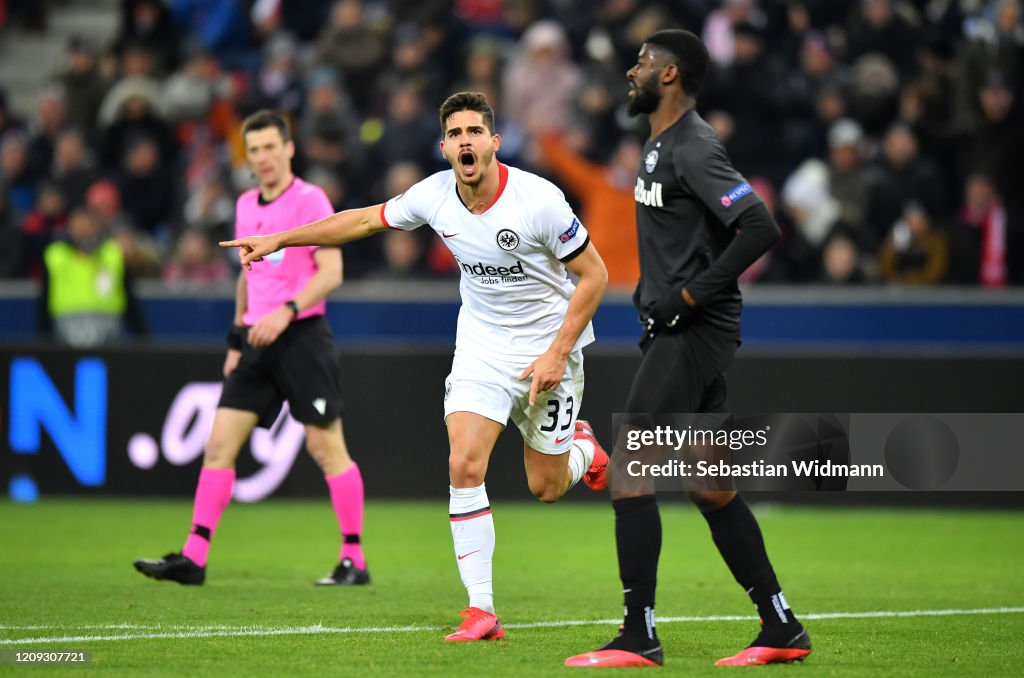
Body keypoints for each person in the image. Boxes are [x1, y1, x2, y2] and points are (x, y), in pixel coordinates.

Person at [221, 91, 610, 641]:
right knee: (464, 463)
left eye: (475, 131)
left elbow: (594, 276)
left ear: (494, 142)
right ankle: (482, 610)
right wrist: (281, 238)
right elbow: (360, 223)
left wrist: (556, 352)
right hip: (481, 346)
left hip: (550, 346)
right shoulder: (434, 196)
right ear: (445, 146)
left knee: (545, 486)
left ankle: (582, 449)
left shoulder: (539, 200)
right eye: (455, 134)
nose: (465, 142)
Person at [564, 30, 811, 668]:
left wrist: (690, 299)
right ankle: (781, 626)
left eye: (642, 63)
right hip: (677, 329)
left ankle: (638, 633)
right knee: (711, 485)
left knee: (630, 469)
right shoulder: (660, 144)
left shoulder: (694, 145)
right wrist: (660, 301)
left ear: (669, 75)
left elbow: (759, 225)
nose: (630, 70)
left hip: (695, 330)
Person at [134, 110, 370, 587]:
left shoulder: (311, 199)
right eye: (254, 149)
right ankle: (194, 557)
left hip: (302, 337)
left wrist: (285, 310)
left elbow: (332, 273)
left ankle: (354, 560)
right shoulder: (245, 205)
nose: (262, 157)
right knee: (218, 446)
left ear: (289, 149)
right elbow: (248, 275)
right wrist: (236, 339)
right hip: (256, 343)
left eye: (269, 147)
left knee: (326, 448)